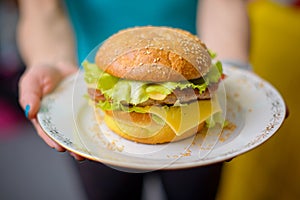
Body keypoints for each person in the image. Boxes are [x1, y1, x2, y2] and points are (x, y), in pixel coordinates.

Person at [17, 0, 250, 199]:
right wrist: (52, 60)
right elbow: (41, 9)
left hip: (197, 62)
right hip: (83, 78)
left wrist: (234, 67)